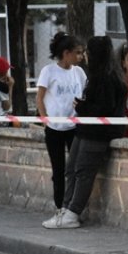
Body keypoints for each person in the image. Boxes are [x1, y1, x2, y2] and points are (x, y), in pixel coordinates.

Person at [43, 36, 128, 230]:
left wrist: (81, 106)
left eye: (88, 52)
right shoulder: (97, 75)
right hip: (85, 129)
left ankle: (73, 212)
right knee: (71, 169)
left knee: (83, 171)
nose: (85, 56)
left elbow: (104, 107)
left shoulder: (108, 77)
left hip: (98, 133)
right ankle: (65, 209)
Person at [37, 32, 88, 210]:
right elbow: (40, 98)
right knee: (58, 170)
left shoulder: (79, 72)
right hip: (54, 129)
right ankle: (60, 207)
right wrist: (45, 120)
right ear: (66, 53)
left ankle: (73, 206)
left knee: (74, 169)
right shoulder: (48, 71)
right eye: (78, 52)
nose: (81, 57)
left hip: (74, 127)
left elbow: (84, 94)